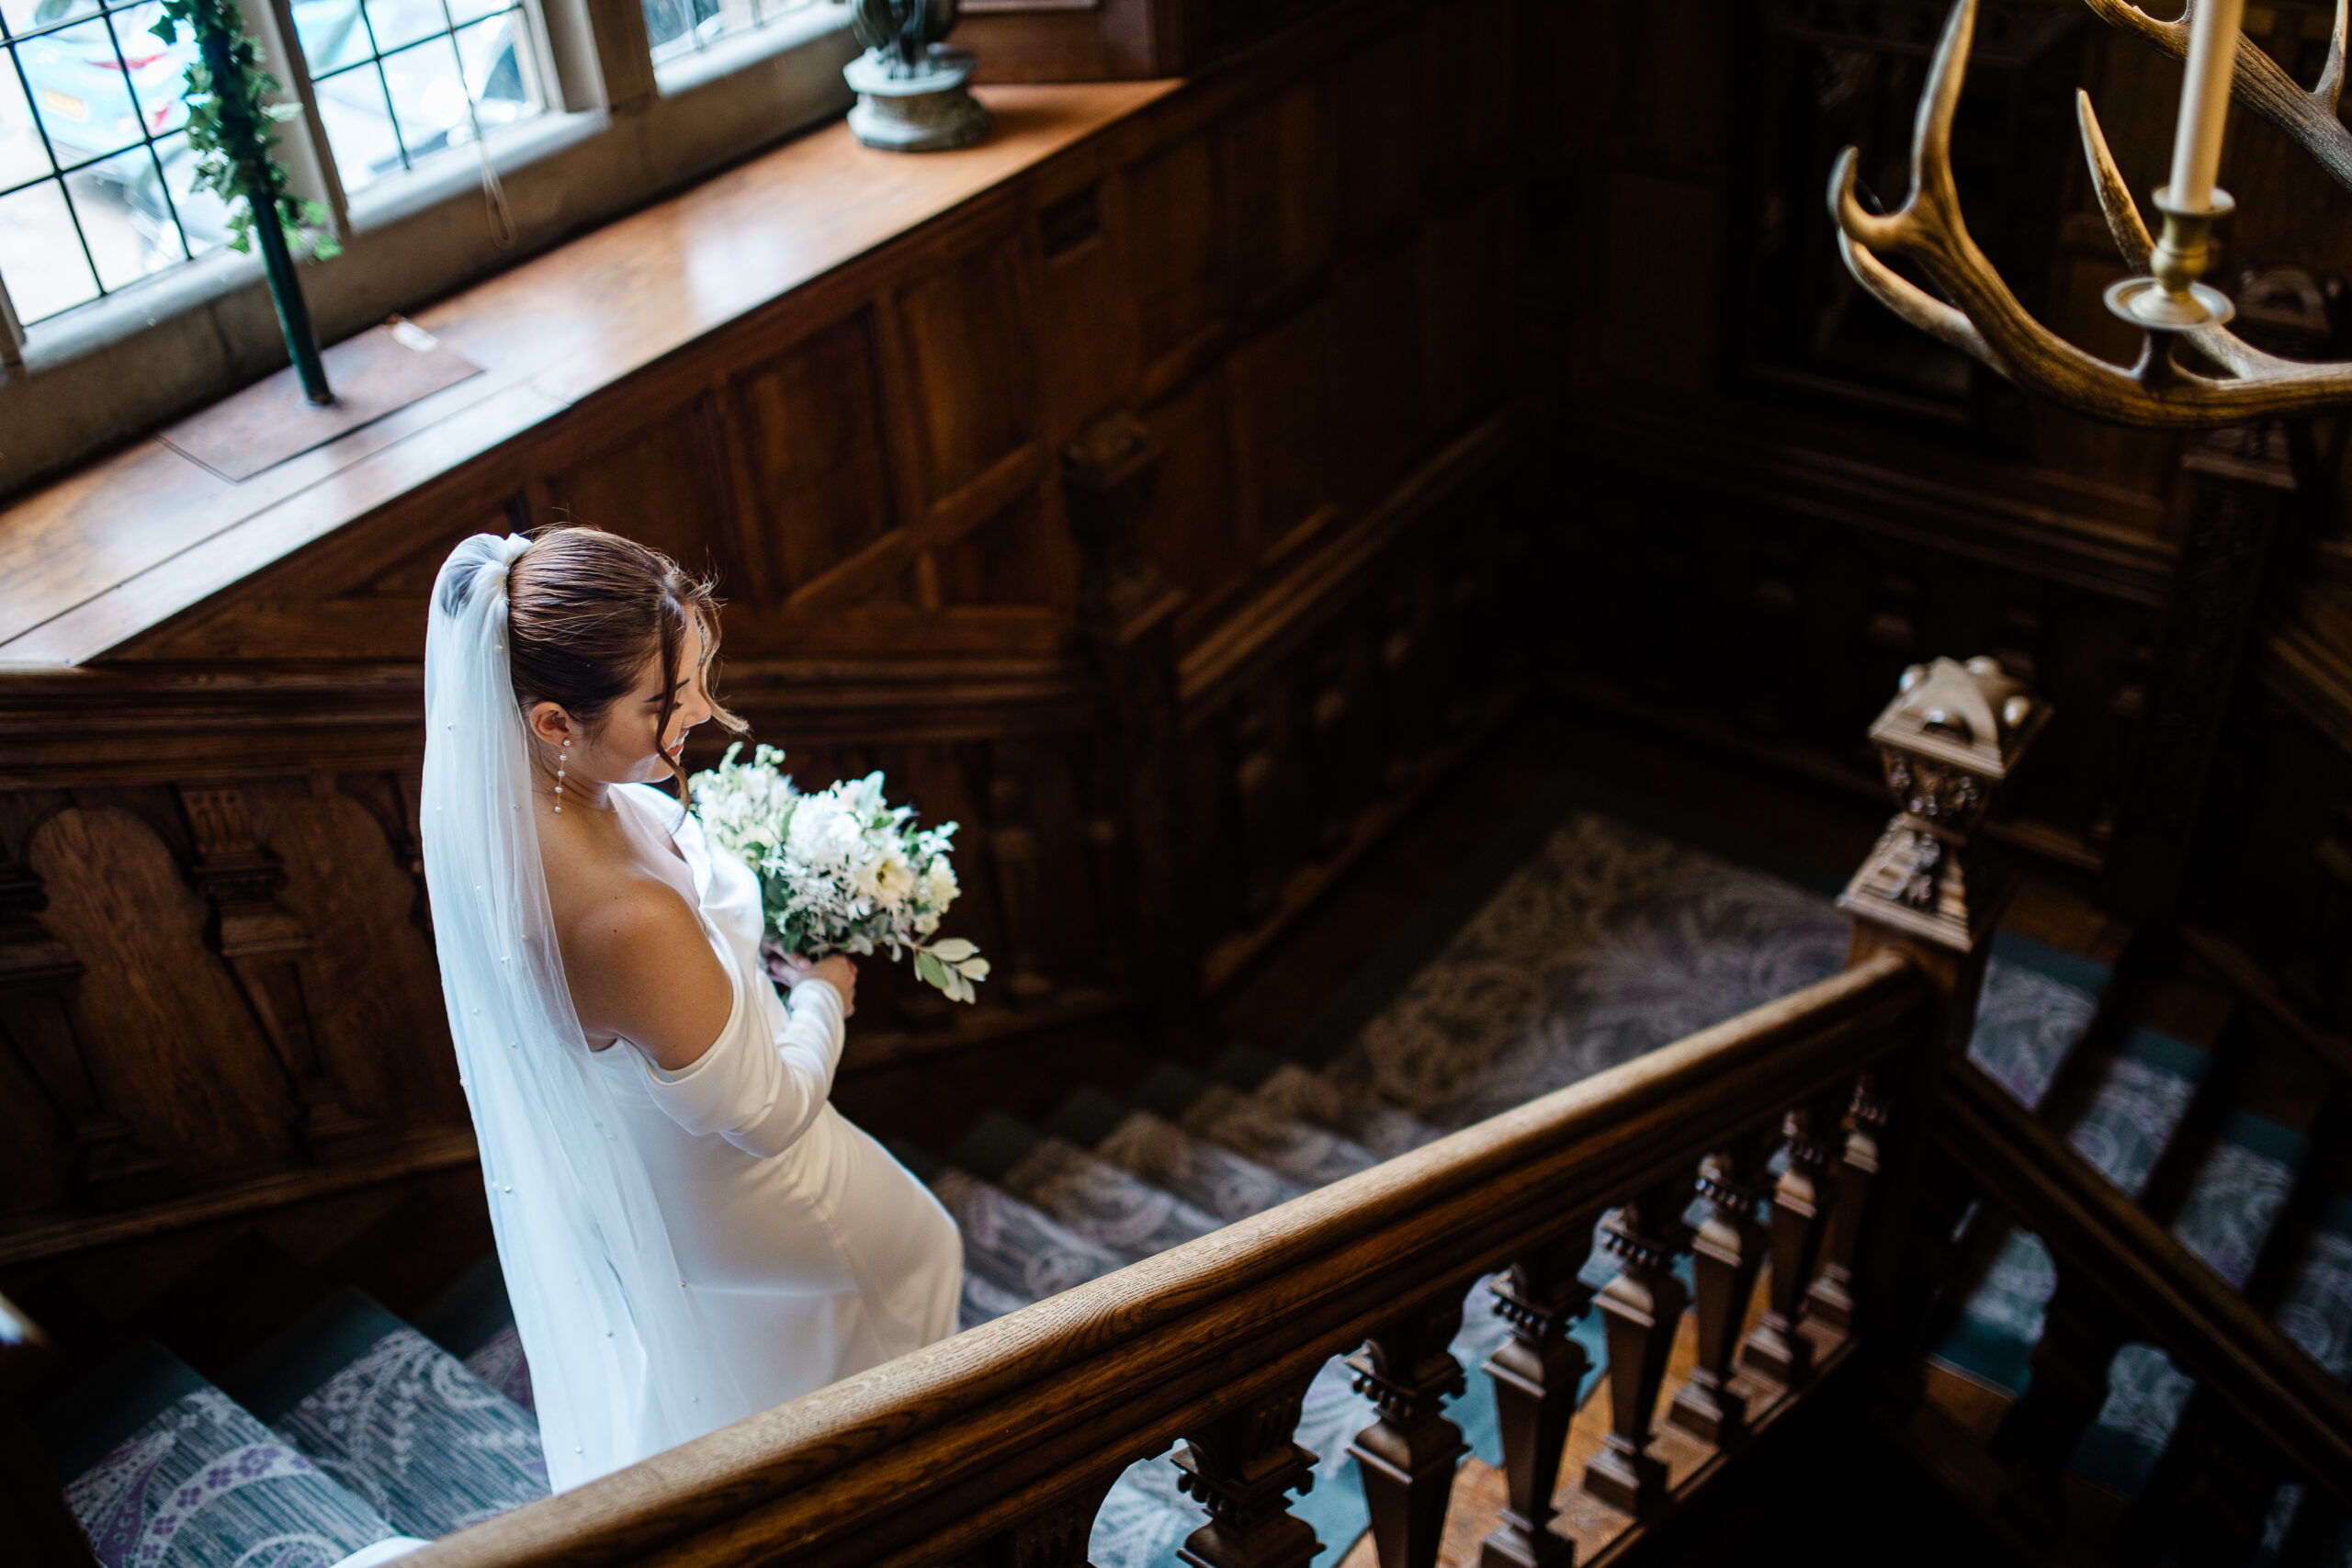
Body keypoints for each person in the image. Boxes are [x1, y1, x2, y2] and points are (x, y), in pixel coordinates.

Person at [419, 526, 961, 1492]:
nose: (702, 713)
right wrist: (825, 996)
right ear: (552, 722)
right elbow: (764, 1118)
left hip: (668, 1173)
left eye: (699, 675)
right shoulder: (623, 918)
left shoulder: (525, 806)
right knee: (912, 1267)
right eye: (667, 702)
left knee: (779, 1378)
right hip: (763, 1186)